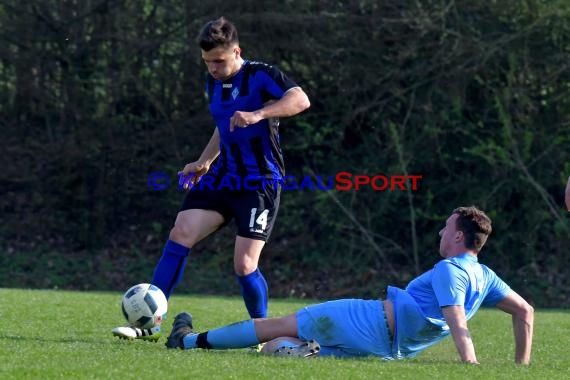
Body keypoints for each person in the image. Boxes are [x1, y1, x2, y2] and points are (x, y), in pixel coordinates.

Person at [112, 16, 310, 341]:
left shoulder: (261, 75)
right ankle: (149, 324)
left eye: (218, 61)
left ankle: (265, 334)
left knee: (244, 265)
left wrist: (259, 113)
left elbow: (300, 100)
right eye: (207, 63)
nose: (213, 69)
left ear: (236, 51)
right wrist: (204, 161)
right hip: (222, 177)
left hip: (259, 182)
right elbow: (223, 125)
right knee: (181, 232)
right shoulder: (213, 83)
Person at [164, 206, 534, 364]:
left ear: (457, 237)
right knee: (275, 348)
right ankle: (298, 352)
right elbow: (526, 312)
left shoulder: (448, 269)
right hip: (389, 351)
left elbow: (456, 319)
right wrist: (520, 366)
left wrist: (470, 363)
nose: (441, 231)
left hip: (364, 320)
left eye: (446, 227)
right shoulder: (485, 276)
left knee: (273, 327)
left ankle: (187, 340)